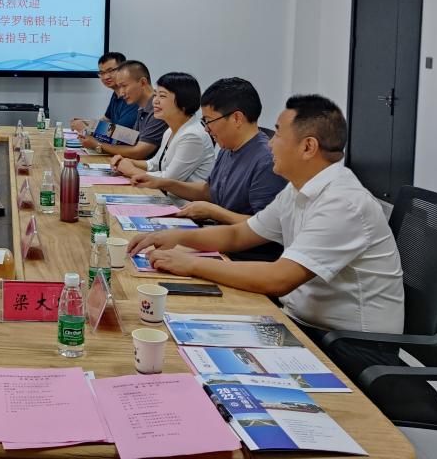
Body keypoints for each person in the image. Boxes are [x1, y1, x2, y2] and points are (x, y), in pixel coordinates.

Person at [125, 95, 404, 382]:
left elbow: (278, 279)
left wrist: (190, 264)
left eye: (279, 135)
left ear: (308, 147)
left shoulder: (343, 203)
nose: (270, 143)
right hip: (303, 324)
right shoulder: (298, 189)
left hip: (350, 348)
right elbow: (238, 234)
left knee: (196, 367)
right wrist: (173, 236)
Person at [130, 77, 286, 223]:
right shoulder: (228, 146)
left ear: (237, 118)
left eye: (209, 121)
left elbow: (268, 226)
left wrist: (213, 212)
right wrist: (161, 182)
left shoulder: (266, 161)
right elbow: (209, 191)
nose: (206, 129)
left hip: (237, 242)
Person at [111, 71, 214, 201]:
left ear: (184, 102)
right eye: (155, 95)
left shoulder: (193, 136)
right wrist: (128, 161)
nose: (155, 101)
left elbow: (168, 180)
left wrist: (131, 170)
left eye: (162, 96)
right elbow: (154, 164)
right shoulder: (170, 131)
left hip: (184, 207)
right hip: (164, 199)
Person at [81, 60, 167, 160]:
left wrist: (97, 144)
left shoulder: (157, 108)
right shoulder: (142, 107)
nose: (121, 93)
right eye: (119, 87)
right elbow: (132, 142)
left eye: (124, 86)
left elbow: (139, 152)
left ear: (143, 82)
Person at [70, 52, 139, 134]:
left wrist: (85, 128)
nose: (106, 77)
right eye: (102, 73)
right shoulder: (115, 94)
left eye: (110, 71)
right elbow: (106, 120)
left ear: (124, 69)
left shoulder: (132, 94)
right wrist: (86, 123)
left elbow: (121, 133)